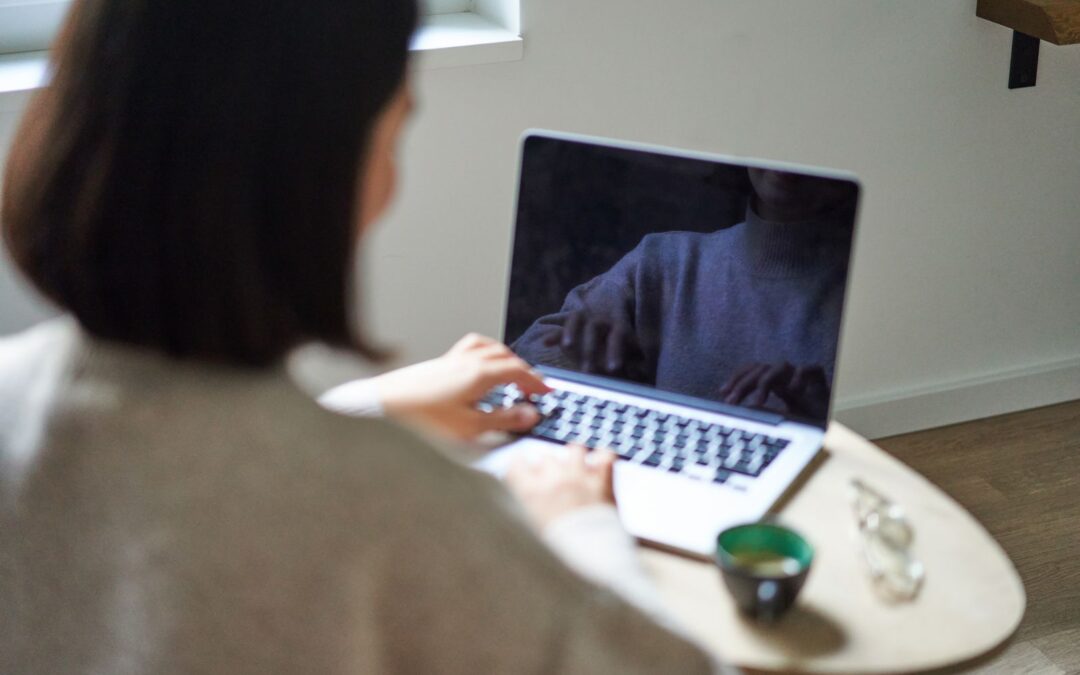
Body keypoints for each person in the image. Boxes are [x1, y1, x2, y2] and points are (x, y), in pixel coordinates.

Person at [0, 1, 725, 673]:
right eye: (394, 130)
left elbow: (188, 463)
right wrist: (580, 526)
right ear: (313, 172)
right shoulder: (396, 511)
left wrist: (363, 405)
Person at [512, 168, 856, 422]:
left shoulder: (864, 291)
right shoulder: (664, 260)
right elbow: (527, 356)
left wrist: (820, 421)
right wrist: (604, 374)